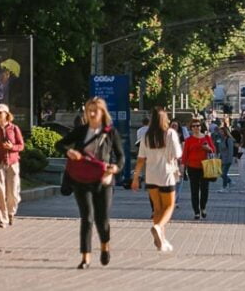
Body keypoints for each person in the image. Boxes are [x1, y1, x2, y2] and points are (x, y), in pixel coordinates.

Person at [61, 97, 123, 269]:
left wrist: (115, 168)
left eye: (96, 110)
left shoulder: (110, 132)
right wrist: (69, 152)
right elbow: (61, 144)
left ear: (103, 112)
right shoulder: (81, 131)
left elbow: (121, 156)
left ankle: (105, 246)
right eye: (89, 111)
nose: (93, 114)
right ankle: (85, 257)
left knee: (102, 220)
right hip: (81, 179)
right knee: (87, 218)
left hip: (103, 180)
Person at [132, 106, 182, 252]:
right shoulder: (170, 133)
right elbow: (178, 154)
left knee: (157, 208)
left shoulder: (146, 136)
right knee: (169, 206)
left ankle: (162, 240)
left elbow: (140, 159)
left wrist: (135, 177)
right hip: (166, 174)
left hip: (151, 176)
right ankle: (158, 227)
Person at [182, 118, 216, 219]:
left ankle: (203, 207)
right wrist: (183, 167)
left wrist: (208, 148)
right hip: (192, 167)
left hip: (205, 167)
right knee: (194, 190)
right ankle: (196, 211)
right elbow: (185, 155)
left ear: (201, 127)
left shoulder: (207, 137)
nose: (196, 127)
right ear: (191, 128)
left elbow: (213, 150)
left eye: (198, 125)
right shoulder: (188, 140)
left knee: (205, 189)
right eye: (194, 126)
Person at [215, 123, 235, 190]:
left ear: (225, 132)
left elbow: (231, 150)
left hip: (227, 159)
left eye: (222, 132)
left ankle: (224, 187)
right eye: (220, 132)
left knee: (224, 173)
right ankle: (230, 181)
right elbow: (219, 148)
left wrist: (229, 159)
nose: (221, 133)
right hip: (222, 158)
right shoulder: (221, 139)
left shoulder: (228, 139)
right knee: (220, 173)